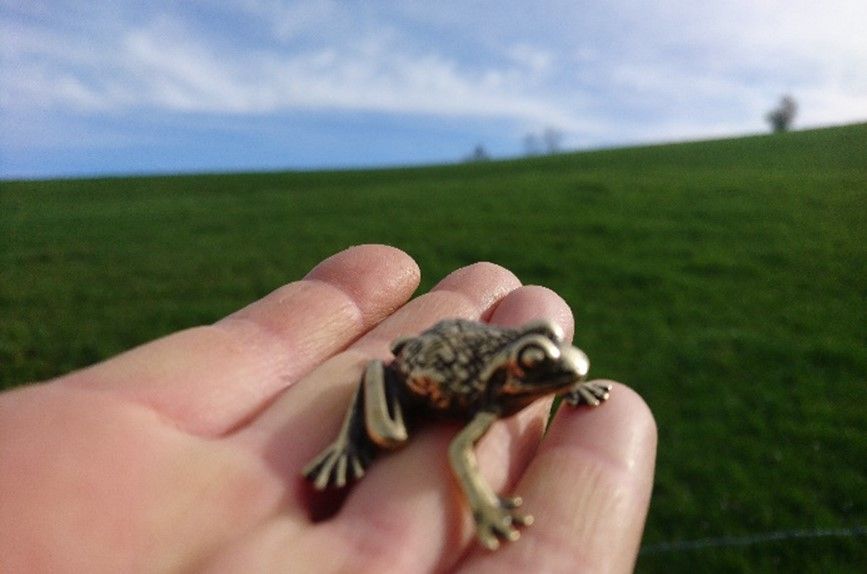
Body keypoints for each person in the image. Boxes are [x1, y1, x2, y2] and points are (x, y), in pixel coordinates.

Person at [0, 245, 656, 573]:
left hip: (472, 352)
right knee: (387, 428)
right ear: (512, 374)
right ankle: (348, 439)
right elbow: (459, 449)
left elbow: (540, 374)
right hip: (415, 370)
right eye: (540, 370)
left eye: (548, 361)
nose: (557, 371)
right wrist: (481, 506)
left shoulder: (521, 371)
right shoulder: (488, 397)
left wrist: (572, 388)